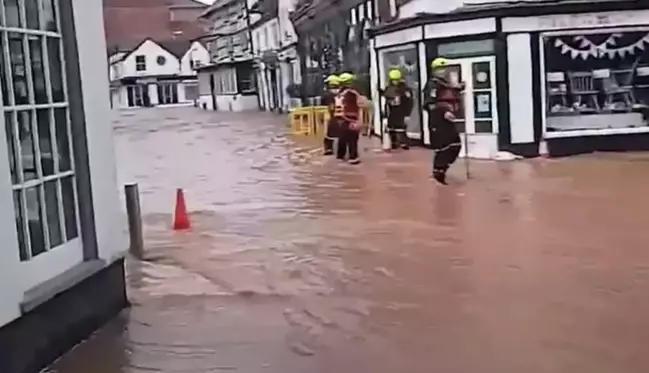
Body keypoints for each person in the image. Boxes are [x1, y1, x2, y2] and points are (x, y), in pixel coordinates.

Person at [423, 57, 464, 185]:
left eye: (444, 69)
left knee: (455, 144)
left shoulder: (446, 84)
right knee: (443, 147)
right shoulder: (432, 85)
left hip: (449, 119)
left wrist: (459, 88)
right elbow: (429, 103)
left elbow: (450, 93)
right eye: (439, 69)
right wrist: (443, 112)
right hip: (438, 120)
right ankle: (438, 174)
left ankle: (442, 169)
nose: (443, 71)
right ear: (434, 71)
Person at [381, 68, 414, 150]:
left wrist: (407, 114)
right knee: (391, 127)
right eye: (393, 80)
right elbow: (386, 97)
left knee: (401, 128)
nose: (395, 82)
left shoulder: (405, 88)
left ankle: (404, 143)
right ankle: (393, 142)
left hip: (401, 110)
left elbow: (409, 101)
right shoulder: (389, 88)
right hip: (391, 110)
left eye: (396, 80)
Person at [334, 72, 362, 164]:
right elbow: (358, 106)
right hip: (350, 119)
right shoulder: (352, 94)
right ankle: (353, 157)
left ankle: (340, 156)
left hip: (340, 119)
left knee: (342, 139)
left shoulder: (339, 93)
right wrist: (357, 121)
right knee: (352, 140)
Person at [322, 74, 341, 155]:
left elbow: (325, 108)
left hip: (331, 117)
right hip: (343, 118)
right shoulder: (343, 94)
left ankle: (328, 149)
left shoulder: (326, 96)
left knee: (328, 135)